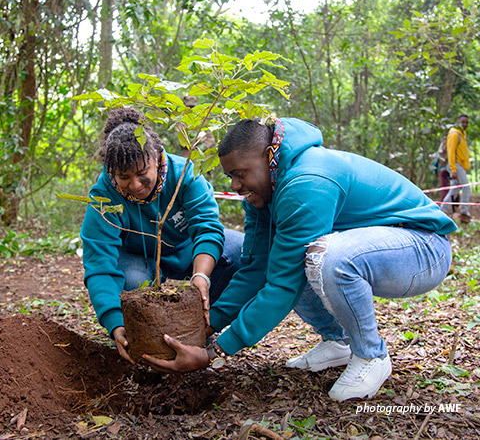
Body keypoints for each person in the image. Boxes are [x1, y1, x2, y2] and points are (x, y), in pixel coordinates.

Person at [143, 117, 457, 402]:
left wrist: (216, 351)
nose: (235, 186)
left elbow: (283, 285)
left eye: (240, 174)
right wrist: (207, 327)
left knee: (327, 258)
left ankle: (371, 355)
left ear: (268, 157)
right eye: (230, 177)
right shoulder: (265, 192)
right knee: (300, 257)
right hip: (379, 249)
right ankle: (339, 343)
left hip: (423, 248)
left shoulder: (305, 181)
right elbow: (257, 269)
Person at [81, 107, 244, 363]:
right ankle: (150, 341)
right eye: (124, 177)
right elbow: (99, 265)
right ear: (112, 172)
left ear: (157, 157)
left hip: (188, 252)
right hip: (137, 261)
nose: (135, 185)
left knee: (240, 251)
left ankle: (200, 328)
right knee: (134, 284)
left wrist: (201, 275)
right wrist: (114, 322)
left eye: (142, 174)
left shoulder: (186, 175)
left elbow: (207, 228)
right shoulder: (103, 196)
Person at [441, 114, 471, 223]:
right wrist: (453, 170)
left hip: (460, 166)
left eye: (466, 122)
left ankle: (442, 211)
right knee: (466, 187)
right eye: (462, 122)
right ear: (457, 122)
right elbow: (451, 152)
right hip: (456, 166)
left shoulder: (462, 134)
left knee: (454, 190)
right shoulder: (454, 134)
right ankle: (464, 212)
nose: (464, 124)